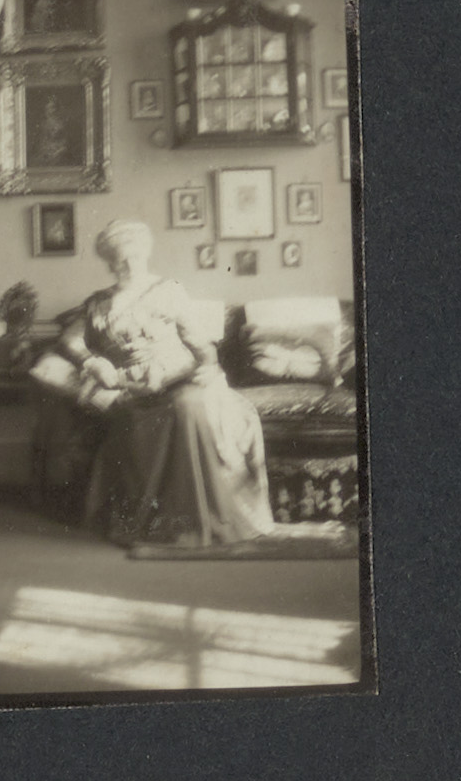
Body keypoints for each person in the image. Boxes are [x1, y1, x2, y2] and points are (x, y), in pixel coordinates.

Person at [39, 219, 296, 549]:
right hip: (130, 387)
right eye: (119, 260)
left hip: (177, 376)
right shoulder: (98, 303)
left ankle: (202, 520)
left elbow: (202, 349)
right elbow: (69, 341)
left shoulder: (168, 291)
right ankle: (159, 523)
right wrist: (92, 362)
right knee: (135, 413)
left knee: (189, 406)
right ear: (110, 264)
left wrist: (180, 371)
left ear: (145, 255)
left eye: (134, 257)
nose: (128, 265)